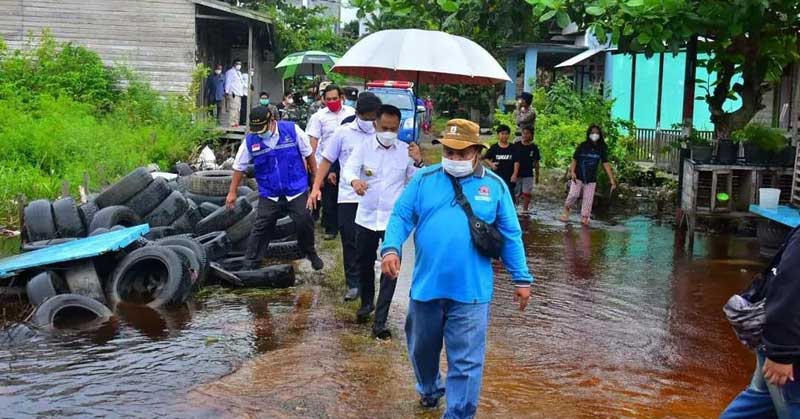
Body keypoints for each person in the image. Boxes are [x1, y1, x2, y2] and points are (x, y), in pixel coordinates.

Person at [380, 118, 533, 416]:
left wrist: (521, 278)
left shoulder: (495, 187)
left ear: (477, 151)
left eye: (461, 154)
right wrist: (391, 248)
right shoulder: (424, 180)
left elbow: (511, 234)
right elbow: (400, 216)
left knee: (466, 362)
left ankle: (459, 413)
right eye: (449, 152)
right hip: (427, 287)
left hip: (471, 292)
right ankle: (428, 389)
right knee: (422, 350)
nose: (454, 159)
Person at [341, 104, 424, 339]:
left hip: (393, 220)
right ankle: (367, 303)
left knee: (390, 269)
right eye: (385, 127)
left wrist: (418, 162)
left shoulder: (406, 151)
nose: (389, 132)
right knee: (364, 262)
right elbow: (348, 169)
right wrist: (355, 181)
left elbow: (417, 181)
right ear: (376, 124)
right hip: (366, 216)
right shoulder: (363, 147)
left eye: (394, 129)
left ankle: (380, 322)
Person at [226, 106, 324, 272]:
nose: (260, 133)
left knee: (304, 221)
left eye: (263, 129)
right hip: (269, 192)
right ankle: (250, 263)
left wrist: (315, 179)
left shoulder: (292, 130)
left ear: (272, 121)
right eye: (256, 130)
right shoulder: (251, 141)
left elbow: (309, 154)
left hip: (295, 188)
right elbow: (239, 167)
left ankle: (310, 252)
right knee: (261, 227)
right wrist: (232, 192)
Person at [721, 225, 800, 418]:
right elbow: (787, 293)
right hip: (787, 349)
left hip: (780, 344)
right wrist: (781, 355)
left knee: (757, 404)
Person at [308, 92, 376, 302]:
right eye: (367, 117)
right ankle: (353, 284)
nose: (370, 122)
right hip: (348, 195)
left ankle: (367, 283)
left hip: (373, 197)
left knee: (368, 244)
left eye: (374, 117)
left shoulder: (382, 132)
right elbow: (327, 160)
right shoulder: (343, 133)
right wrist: (315, 187)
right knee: (349, 240)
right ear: (357, 114)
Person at [306, 84, 356, 245]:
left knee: (348, 193)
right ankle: (331, 228)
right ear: (323, 100)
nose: (332, 101)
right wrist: (310, 161)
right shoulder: (318, 117)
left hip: (348, 159)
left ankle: (347, 225)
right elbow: (313, 139)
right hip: (327, 160)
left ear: (341, 98)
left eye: (335, 98)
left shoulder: (352, 114)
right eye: (328, 99)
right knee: (329, 196)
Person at [560, 125, 617, 225]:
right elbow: (574, 159)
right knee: (574, 194)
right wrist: (572, 172)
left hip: (591, 178)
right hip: (578, 176)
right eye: (593, 132)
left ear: (600, 135)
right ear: (589, 134)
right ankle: (566, 209)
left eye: (597, 133)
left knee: (588, 199)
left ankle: (585, 217)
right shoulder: (583, 146)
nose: (595, 135)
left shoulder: (601, 148)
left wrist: (611, 179)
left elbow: (605, 163)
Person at [483, 124, 519, 204]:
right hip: (497, 175)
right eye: (502, 133)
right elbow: (485, 158)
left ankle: (511, 211)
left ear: (509, 135)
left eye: (506, 134)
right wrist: (491, 164)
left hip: (509, 176)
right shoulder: (494, 147)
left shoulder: (513, 147)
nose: (504, 136)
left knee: (510, 194)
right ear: (498, 135)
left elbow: (516, 161)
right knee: (496, 193)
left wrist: (515, 174)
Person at [514, 125, 541, 213]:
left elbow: (536, 163)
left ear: (531, 135)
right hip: (517, 173)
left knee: (527, 193)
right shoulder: (516, 145)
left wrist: (537, 176)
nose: (525, 135)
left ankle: (525, 210)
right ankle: (515, 208)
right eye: (524, 133)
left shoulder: (534, 148)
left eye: (527, 133)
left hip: (528, 173)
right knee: (516, 193)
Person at [224, 59, 245, 128]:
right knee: (233, 108)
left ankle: (236, 122)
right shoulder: (230, 72)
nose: (239, 65)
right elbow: (228, 82)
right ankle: (231, 123)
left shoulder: (239, 73)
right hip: (233, 93)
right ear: (234, 64)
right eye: (237, 64)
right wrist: (226, 92)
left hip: (239, 93)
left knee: (238, 108)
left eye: (240, 64)